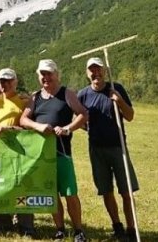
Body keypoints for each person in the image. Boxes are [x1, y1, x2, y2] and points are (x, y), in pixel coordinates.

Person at [20, 59, 88, 242]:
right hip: (42, 155)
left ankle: (79, 231)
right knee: (52, 193)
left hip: (62, 152)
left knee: (69, 193)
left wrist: (67, 129)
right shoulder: (35, 97)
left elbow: (83, 114)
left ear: (57, 74)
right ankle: (59, 229)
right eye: (42, 74)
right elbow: (23, 120)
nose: (46, 77)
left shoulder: (67, 94)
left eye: (49, 73)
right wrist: (38, 126)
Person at [78, 58, 138, 241]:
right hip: (96, 149)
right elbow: (79, 119)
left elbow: (130, 116)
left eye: (98, 70)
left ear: (104, 71)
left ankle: (131, 228)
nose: (95, 73)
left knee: (126, 191)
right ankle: (117, 227)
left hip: (117, 147)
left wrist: (119, 101)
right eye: (92, 71)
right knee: (106, 190)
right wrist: (89, 128)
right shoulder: (83, 95)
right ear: (87, 73)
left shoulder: (116, 88)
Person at [0, 67, 35, 238]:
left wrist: (10, 128)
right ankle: (4, 225)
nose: (4, 83)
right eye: (1, 80)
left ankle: (26, 226)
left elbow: (28, 127)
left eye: (8, 80)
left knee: (21, 189)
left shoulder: (24, 101)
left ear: (15, 81)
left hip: (18, 151)